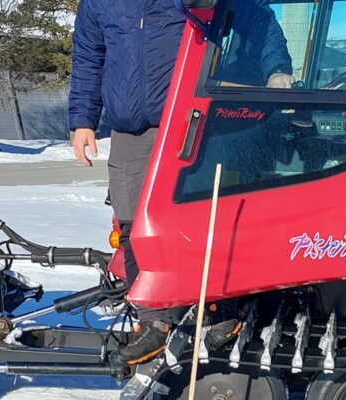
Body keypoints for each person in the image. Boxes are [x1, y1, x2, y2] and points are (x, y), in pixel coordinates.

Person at [69, 0, 293, 364]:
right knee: (132, 225)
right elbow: (88, 58)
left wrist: (276, 69)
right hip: (131, 130)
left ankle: (221, 309)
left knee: (207, 216)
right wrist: (83, 120)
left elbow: (256, 16)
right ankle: (153, 322)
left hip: (195, 118)